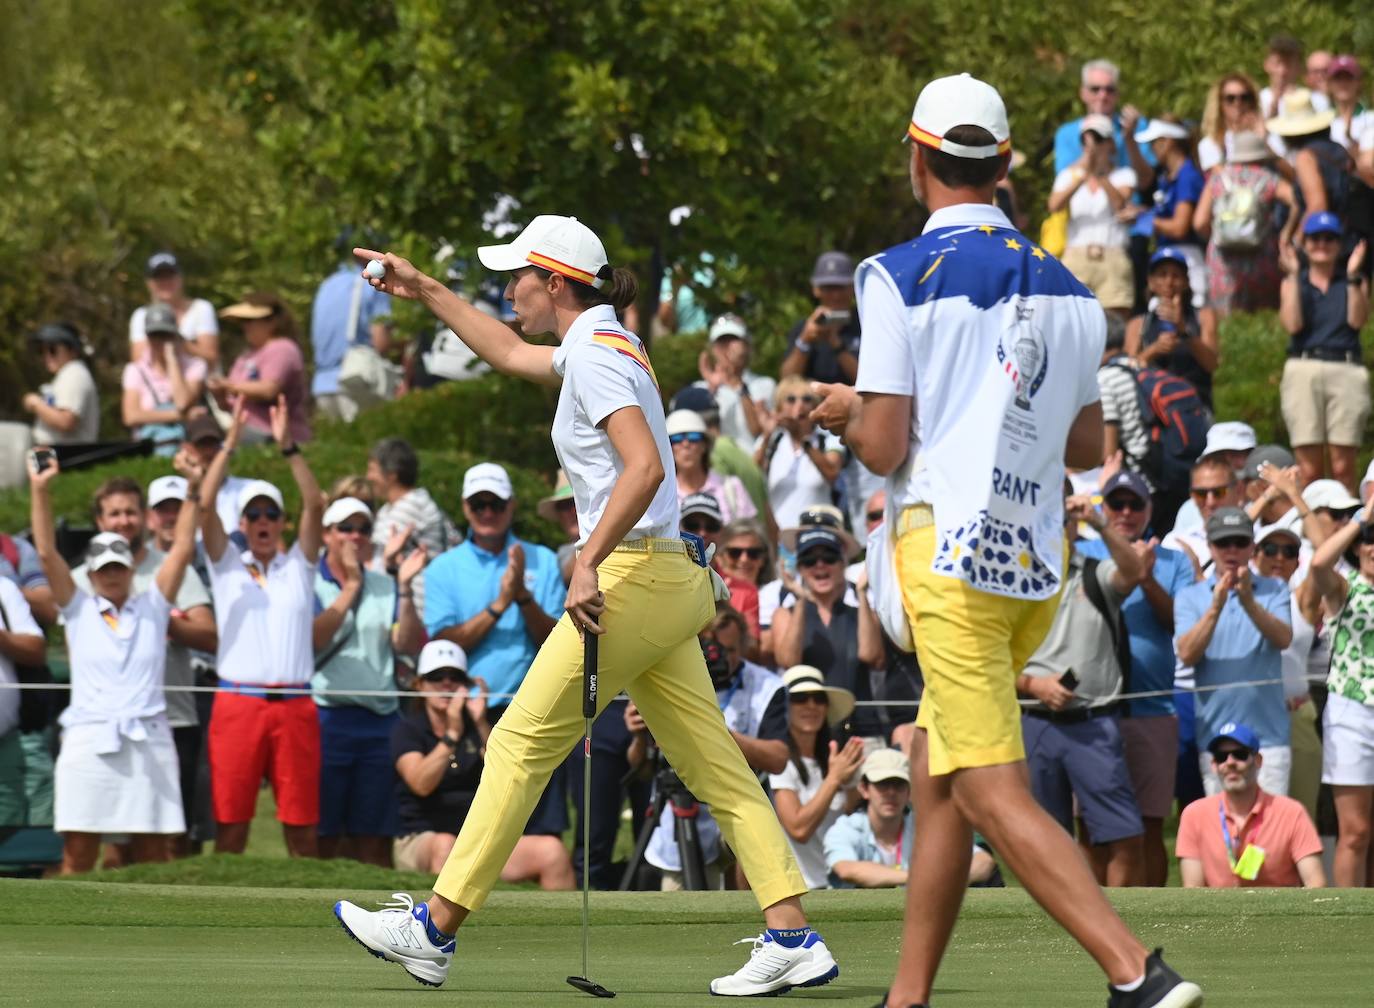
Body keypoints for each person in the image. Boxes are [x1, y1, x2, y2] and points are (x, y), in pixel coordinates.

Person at [336, 215, 836, 996]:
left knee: (519, 743)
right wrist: (424, 288)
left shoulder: (597, 358)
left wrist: (587, 561)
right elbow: (504, 351)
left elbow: (639, 468)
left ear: (557, 283)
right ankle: (792, 933)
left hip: (634, 576)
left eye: (517, 277)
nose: (508, 290)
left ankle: (432, 930)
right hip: (671, 582)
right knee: (715, 766)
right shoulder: (603, 346)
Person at [811, 73, 1201, 1008]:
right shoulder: (1075, 294)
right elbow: (1082, 446)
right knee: (942, 774)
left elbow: (886, 442)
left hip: (947, 561)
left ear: (918, 157)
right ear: (1007, 165)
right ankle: (907, 998)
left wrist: (842, 413)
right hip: (1034, 569)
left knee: (987, 788)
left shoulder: (892, 275)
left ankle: (1135, 971)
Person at [30, 450, 203, 873]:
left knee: (153, 854)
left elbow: (181, 546)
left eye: (118, 566)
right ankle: (67, 936)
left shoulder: (154, 604)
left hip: (148, 739)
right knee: (79, 851)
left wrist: (195, 490)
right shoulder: (77, 607)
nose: (111, 574)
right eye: (103, 568)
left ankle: (152, 936)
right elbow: (46, 552)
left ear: (130, 569)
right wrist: (40, 489)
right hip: (89, 739)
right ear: (90, 573)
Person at [198, 398, 324, 857]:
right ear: (243, 525)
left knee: (302, 829)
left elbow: (315, 503)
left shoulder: (299, 566)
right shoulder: (227, 565)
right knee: (230, 825)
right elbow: (205, 505)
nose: (263, 522)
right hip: (238, 703)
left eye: (272, 514)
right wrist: (228, 446)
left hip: (294, 706)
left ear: (282, 523)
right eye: (254, 516)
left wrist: (289, 448)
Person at [1019, 491, 1146, 886]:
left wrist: (1100, 522)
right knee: (1043, 840)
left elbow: (1135, 571)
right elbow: (986, 657)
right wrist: (1033, 685)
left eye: (1063, 517)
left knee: (1124, 836)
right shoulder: (1014, 580)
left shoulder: (1094, 571)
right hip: (1035, 721)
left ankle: (1117, 929)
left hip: (1094, 725)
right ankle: (1053, 936)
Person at [1079, 470, 1193, 886]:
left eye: (1134, 504)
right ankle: (1092, 915)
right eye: (1116, 504)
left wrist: (1144, 576)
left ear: (1149, 509)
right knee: (1091, 826)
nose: (1125, 512)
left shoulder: (1173, 560)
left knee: (1147, 824)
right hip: (1089, 710)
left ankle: (1149, 917)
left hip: (1151, 708)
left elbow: (1175, 622)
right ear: (1104, 508)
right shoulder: (1081, 550)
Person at [312, 496, 427, 866]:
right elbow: (313, 640)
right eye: (346, 528)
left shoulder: (386, 585)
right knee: (325, 832)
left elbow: (408, 644)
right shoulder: (310, 581)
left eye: (363, 529)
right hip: (326, 717)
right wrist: (352, 586)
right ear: (327, 534)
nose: (356, 536)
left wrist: (405, 588)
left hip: (379, 721)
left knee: (375, 835)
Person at [643, 604, 788, 889]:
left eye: (730, 650)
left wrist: (717, 735)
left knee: (753, 842)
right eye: (710, 649)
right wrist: (642, 735)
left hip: (739, 802)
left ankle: (746, 919)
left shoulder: (766, 686)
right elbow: (637, 765)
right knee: (679, 907)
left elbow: (778, 758)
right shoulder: (669, 678)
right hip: (682, 813)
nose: (720, 658)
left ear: (745, 645)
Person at [118, 475, 219, 856]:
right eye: (164, 509)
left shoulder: (183, 569)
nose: (171, 517)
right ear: (150, 516)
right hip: (115, 717)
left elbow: (209, 635)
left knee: (177, 833)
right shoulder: (94, 570)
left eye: (179, 509)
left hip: (174, 714)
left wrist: (160, 618)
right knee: (117, 839)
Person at [1175, 507, 1293, 795]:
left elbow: (1283, 638)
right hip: (1216, 741)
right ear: (1210, 546)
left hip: (1269, 740)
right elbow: (1187, 654)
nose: (1232, 551)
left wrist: (1249, 602)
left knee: (1270, 837)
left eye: (1240, 543)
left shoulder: (1274, 589)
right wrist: (1215, 606)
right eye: (1223, 543)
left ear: (1252, 547)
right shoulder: (1190, 597)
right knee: (1223, 837)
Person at [1278, 213, 1370, 491]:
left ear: (1340, 244)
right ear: (1304, 243)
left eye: (1329, 238)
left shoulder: (1354, 281)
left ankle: (1349, 529)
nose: (1322, 244)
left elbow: (1357, 321)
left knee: (1344, 467)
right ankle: (1312, 530)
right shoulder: (1293, 282)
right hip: (1303, 366)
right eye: (1315, 238)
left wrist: (1353, 275)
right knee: (1308, 469)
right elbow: (1293, 324)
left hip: (1346, 366)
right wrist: (1294, 275)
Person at [1308, 506, 1374, 886]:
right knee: (1356, 830)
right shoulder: (1346, 587)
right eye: (1369, 540)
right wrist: (1362, 518)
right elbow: (1318, 564)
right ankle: (1350, 919)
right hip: (1352, 714)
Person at [823, 748, 999, 889]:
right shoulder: (845, 828)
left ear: (909, 791)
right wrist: (922, 880)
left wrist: (942, 881)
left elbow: (983, 861)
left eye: (899, 785)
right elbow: (846, 869)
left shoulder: (927, 825)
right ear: (864, 789)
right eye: (883, 784)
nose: (891, 793)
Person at [1175, 723, 1325, 887]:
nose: (1230, 762)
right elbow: (1192, 890)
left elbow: (1316, 883)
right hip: (1219, 912)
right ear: (1214, 765)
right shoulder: (1194, 815)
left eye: (1240, 754)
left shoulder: (1292, 813)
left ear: (1258, 760)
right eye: (1221, 757)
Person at [773, 525, 884, 741]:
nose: (820, 565)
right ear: (801, 569)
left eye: (829, 558)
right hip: (810, 734)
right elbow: (788, 660)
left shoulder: (861, 612)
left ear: (843, 564)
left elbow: (871, 655)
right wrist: (802, 599)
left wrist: (861, 593)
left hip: (861, 731)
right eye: (809, 560)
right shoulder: (786, 614)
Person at [390, 639, 491, 874]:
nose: (446, 683)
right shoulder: (407, 730)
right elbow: (421, 784)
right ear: (420, 684)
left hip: (475, 837)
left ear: (465, 686)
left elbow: (506, 775)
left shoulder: (478, 726)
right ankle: (435, 912)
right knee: (446, 845)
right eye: (436, 676)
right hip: (421, 838)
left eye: (455, 677)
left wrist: (480, 722)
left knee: (550, 851)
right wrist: (452, 734)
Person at [769, 665, 864, 889]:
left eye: (818, 698)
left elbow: (849, 815)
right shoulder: (780, 763)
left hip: (841, 885)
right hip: (800, 887)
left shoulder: (834, 760)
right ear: (786, 707)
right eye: (800, 698)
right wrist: (834, 779)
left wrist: (848, 781)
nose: (811, 705)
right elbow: (798, 829)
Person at [1193, 132, 1296, 315]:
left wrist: (1221, 235)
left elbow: (1199, 222)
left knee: (1226, 322)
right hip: (1262, 258)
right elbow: (1298, 202)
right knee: (1264, 318)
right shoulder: (1268, 178)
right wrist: (1287, 233)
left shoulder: (1218, 180)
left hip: (1224, 263)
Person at [1048, 114, 1137, 315]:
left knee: (1115, 325)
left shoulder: (1124, 175)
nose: (1092, 146)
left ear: (1110, 143)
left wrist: (1099, 174)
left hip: (1112, 256)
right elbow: (1054, 205)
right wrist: (1082, 174)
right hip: (1077, 256)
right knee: (1071, 321)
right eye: (1085, 141)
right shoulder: (1068, 175)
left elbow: (1119, 204)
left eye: (1098, 139)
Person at [366, 436, 461, 617]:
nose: (368, 477)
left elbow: (374, 560)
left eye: (372, 470)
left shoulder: (411, 507)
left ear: (391, 475)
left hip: (419, 612)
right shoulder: (393, 507)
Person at [1124, 247, 1220, 411]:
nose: (1169, 282)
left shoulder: (1203, 316)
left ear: (1186, 282)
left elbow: (1211, 364)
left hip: (1195, 406)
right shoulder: (1139, 324)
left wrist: (1184, 331)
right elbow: (1127, 370)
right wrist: (1153, 350)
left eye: (1176, 276)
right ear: (1151, 282)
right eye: (1162, 274)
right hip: (1153, 407)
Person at [209, 293, 311, 446]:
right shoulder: (245, 356)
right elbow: (229, 406)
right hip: (245, 431)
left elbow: (268, 390)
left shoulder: (282, 348)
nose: (245, 326)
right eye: (243, 321)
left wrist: (229, 386)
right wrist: (219, 394)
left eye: (250, 321)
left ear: (272, 322)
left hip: (274, 435)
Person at [311, 250, 394, 421]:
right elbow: (381, 343)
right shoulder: (372, 282)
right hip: (355, 382)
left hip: (322, 385)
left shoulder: (327, 284)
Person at [1135, 119, 1209, 306]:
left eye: (1153, 143)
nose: (1151, 149)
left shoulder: (1187, 175)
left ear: (1167, 142)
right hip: (1167, 257)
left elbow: (1179, 227)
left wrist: (1145, 219)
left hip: (1187, 261)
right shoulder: (1167, 177)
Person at [757, 376, 845, 530]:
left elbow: (832, 473)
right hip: (779, 538)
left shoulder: (829, 439)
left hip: (818, 535)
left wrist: (801, 438)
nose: (800, 405)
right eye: (791, 399)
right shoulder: (773, 441)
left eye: (807, 399)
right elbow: (751, 475)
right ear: (779, 407)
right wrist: (766, 436)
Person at [122, 303, 208, 455]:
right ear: (147, 337)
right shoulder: (134, 370)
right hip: (150, 448)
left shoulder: (196, 366)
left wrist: (172, 361)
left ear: (176, 335)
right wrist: (181, 416)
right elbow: (131, 416)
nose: (159, 342)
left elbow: (182, 402)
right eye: (154, 335)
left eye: (165, 335)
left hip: (187, 447)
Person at [1052, 60, 1152, 178]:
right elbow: (1063, 183)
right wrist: (1091, 150)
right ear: (1083, 93)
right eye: (1095, 89)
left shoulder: (1137, 126)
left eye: (1109, 90)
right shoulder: (1066, 133)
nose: (1103, 96)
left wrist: (1130, 139)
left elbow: (1147, 182)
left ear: (1117, 94)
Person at [778, 251, 861, 385]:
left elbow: (870, 383)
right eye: (828, 288)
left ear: (852, 288)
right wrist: (804, 341)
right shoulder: (803, 328)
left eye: (841, 288)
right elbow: (787, 382)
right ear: (816, 290)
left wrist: (835, 343)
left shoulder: (866, 325)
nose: (836, 296)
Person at [695, 314, 775, 450]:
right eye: (721, 341)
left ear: (747, 346)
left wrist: (737, 384)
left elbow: (757, 431)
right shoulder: (699, 389)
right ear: (712, 348)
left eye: (733, 339)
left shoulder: (765, 385)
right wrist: (711, 391)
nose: (727, 347)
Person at [666, 409, 759, 524]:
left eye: (693, 437)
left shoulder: (732, 487)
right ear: (668, 447)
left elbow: (748, 534)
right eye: (677, 439)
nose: (686, 444)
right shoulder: (662, 495)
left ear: (704, 445)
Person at [129, 251, 219, 367]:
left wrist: (179, 341)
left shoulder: (201, 308)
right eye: (159, 277)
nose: (165, 281)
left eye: (169, 276)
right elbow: (138, 364)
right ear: (149, 283)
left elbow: (212, 359)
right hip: (159, 384)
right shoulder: (140, 315)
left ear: (181, 278)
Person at [24, 323, 98, 447]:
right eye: (42, 351)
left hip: (64, 457)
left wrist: (35, 403)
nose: (46, 356)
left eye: (52, 350)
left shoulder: (74, 374)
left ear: (72, 350)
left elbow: (66, 421)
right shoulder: (68, 374)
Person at [1197, 72, 1271, 173]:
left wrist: (1263, 143)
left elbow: (1291, 176)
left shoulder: (1267, 134)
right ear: (1220, 104)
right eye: (1230, 98)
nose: (1237, 103)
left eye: (1244, 97)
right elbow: (1223, 180)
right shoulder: (1211, 143)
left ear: (1252, 101)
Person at [1261, 35, 1331, 122]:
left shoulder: (1317, 101)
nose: (1282, 71)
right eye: (1277, 63)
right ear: (1266, 65)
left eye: (1289, 64)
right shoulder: (1255, 101)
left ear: (1299, 67)